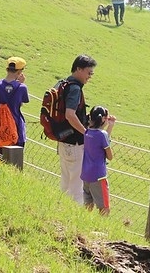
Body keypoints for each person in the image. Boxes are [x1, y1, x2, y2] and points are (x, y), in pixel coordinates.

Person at [58, 54, 97, 204]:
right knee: (76, 185)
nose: (89, 77)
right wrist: (86, 133)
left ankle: (60, 208)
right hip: (74, 143)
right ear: (79, 69)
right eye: (89, 73)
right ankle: (72, 218)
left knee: (66, 180)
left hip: (63, 139)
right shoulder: (74, 88)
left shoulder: (64, 84)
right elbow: (70, 115)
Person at [0, 56, 30, 159]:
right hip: (17, 131)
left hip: (0, 130)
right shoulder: (22, 88)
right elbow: (20, 104)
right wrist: (20, 83)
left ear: (7, 69)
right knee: (15, 164)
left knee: (0, 161)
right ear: (19, 72)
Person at [80, 105, 116, 215]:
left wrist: (109, 127)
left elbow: (101, 138)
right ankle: (102, 228)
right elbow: (110, 156)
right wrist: (109, 127)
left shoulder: (87, 132)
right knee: (104, 207)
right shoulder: (102, 135)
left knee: (88, 205)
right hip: (99, 176)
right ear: (103, 119)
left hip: (86, 174)